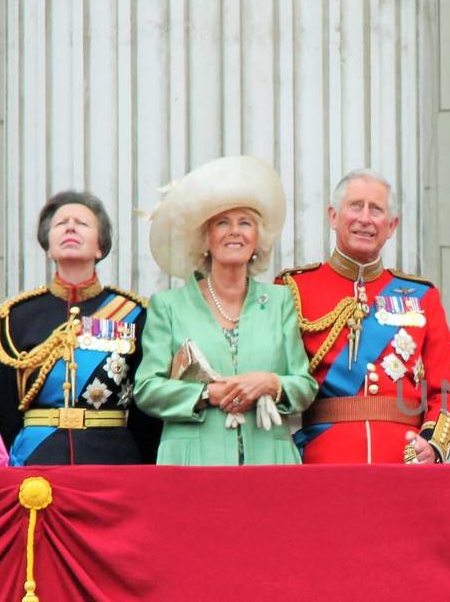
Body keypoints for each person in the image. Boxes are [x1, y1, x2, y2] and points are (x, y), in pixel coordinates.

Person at [133, 155, 317, 465]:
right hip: (191, 463)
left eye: (245, 223)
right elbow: (148, 389)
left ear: (257, 238)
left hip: (269, 461)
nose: (235, 231)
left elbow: (304, 386)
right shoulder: (168, 306)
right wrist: (207, 395)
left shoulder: (279, 301)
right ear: (205, 239)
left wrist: (272, 384)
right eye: (222, 223)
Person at [279, 170, 450, 464]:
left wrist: (433, 444)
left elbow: (447, 390)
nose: (365, 218)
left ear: (391, 226)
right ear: (333, 216)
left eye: (376, 210)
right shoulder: (293, 290)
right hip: (323, 459)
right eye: (355, 206)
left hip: (403, 459)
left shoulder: (422, 296)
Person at [0, 190, 159, 465]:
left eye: (82, 223)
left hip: (113, 457)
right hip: (39, 456)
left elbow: (145, 410)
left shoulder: (135, 314)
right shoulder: (15, 317)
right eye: (61, 223)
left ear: (100, 246)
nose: (70, 227)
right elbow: (8, 410)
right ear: (48, 247)